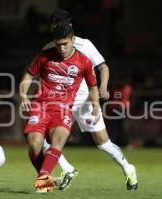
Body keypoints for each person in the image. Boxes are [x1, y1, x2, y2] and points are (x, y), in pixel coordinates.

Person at [42, 9, 138, 190]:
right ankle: (67, 169)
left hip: (85, 100)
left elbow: (103, 67)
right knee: (45, 138)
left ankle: (128, 167)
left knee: (103, 144)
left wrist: (102, 87)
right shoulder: (49, 49)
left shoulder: (84, 45)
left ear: (70, 27)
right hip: (61, 101)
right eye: (55, 27)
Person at [19, 22, 100, 193]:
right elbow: (28, 74)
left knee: (59, 140)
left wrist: (96, 105)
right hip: (40, 105)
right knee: (35, 146)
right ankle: (44, 177)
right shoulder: (45, 56)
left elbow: (93, 87)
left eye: (65, 44)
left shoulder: (84, 62)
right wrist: (23, 94)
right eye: (58, 44)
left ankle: (43, 178)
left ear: (72, 39)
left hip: (63, 109)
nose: (61, 48)